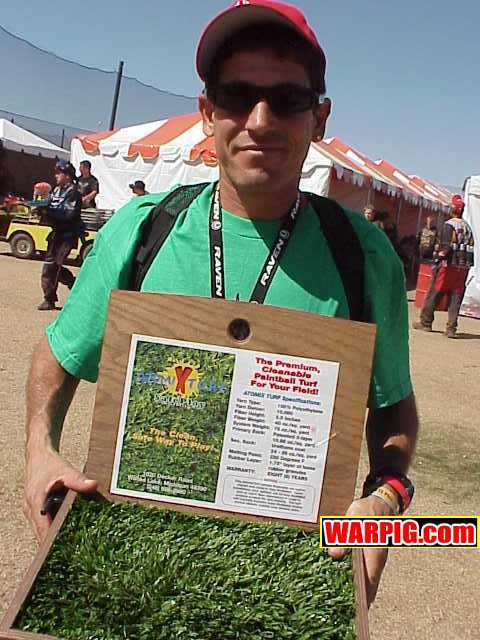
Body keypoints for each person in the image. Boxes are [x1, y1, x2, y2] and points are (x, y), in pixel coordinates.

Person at [24, 0, 418, 608]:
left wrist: (386, 498)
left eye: (287, 99)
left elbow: (393, 408)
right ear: (208, 113)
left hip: (293, 578)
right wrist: (39, 452)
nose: (260, 120)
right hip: (136, 562)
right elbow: (58, 355)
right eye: (236, 96)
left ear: (319, 117)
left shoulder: (364, 257)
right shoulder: (141, 229)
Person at [414, 194, 474, 337]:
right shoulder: (467, 227)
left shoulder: (449, 225)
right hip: (463, 267)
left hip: (448, 266)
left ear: (452, 210)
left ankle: (426, 322)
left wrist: (436, 259)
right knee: (456, 297)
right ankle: (451, 328)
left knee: (435, 292)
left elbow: (445, 247)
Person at [37, 161, 84, 311]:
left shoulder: (74, 193)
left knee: (52, 266)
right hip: (56, 234)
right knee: (51, 266)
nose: (56, 176)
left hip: (67, 235)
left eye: (59, 173)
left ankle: (50, 299)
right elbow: (50, 205)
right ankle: (72, 283)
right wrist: (40, 208)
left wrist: (49, 212)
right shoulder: (56, 190)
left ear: (68, 176)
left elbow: (69, 214)